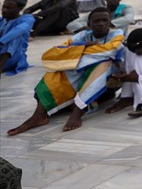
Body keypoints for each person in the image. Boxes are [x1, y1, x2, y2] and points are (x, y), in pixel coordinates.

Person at [7, 7, 125, 135]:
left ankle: (77, 113)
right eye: (97, 21)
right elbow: (57, 51)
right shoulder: (82, 36)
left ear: (110, 23)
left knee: (102, 65)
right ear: (89, 24)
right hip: (82, 71)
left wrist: (77, 52)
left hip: (111, 77)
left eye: (104, 20)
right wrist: (83, 47)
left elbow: (111, 50)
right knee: (56, 72)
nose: (101, 24)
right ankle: (39, 115)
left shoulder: (117, 34)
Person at [66, 0, 133, 34]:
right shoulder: (99, 11)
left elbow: (128, 19)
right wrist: (83, 28)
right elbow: (71, 25)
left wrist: (107, 25)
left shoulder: (126, 8)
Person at [0, 0, 33, 75]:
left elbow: (20, 30)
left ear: (20, 8)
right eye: (3, 7)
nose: (4, 10)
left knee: (15, 37)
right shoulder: (2, 20)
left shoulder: (27, 20)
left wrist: (1, 41)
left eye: (9, 8)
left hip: (13, 57)